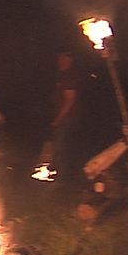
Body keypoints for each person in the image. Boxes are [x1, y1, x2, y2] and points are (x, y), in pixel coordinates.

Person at [50, 52, 81, 182]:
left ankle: (62, 178)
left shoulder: (70, 76)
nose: (60, 61)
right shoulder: (61, 75)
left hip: (67, 118)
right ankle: (58, 172)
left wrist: (58, 119)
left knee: (61, 147)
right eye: (59, 58)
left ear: (69, 60)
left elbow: (70, 100)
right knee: (58, 146)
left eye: (63, 58)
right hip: (63, 117)